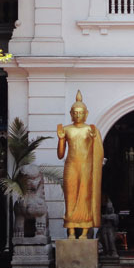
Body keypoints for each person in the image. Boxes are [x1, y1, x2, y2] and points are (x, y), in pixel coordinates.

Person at [57, 91, 103, 239]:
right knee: (70, 198)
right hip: (71, 166)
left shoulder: (90, 129)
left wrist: (95, 139)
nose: (77, 115)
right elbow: (60, 155)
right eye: (75, 113)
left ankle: (84, 232)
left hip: (86, 167)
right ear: (71, 113)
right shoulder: (67, 129)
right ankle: (70, 231)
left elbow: (98, 151)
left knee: (85, 197)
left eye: (80, 112)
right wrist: (60, 139)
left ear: (86, 113)